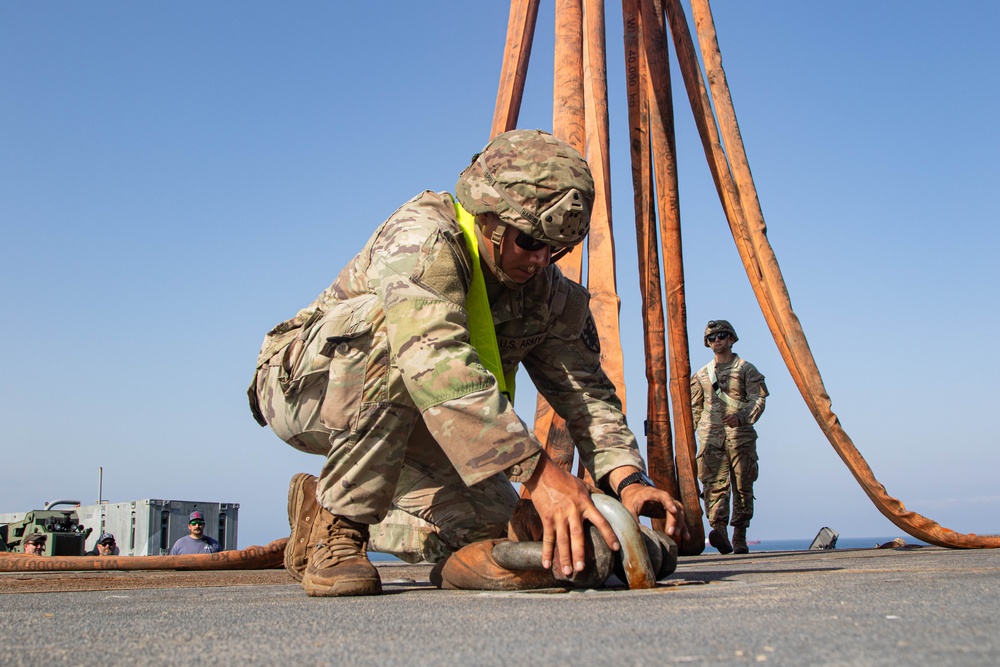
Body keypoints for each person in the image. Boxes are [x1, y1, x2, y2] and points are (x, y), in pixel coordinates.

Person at [249, 129, 689, 597]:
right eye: (529, 240)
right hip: (306, 387)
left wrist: (627, 480)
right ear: (490, 216)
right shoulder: (423, 238)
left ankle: (319, 508)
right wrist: (538, 475)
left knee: (496, 539)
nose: (541, 259)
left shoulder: (545, 294)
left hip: (420, 421)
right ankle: (342, 527)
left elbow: (587, 394)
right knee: (399, 333)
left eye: (555, 248)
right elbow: (433, 356)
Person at [691, 319, 768, 554]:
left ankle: (740, 536)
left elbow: (758, 398)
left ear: (732, 339)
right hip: (711, 440)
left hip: (740, 438)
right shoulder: (702, 375)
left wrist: (742, 417)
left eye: (722, 336)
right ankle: (720, 532)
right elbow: (694, 409)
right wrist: (695, 434)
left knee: (743, 486)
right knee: (713, 486)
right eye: (712, 338)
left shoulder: (746, 370)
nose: (717, 341)